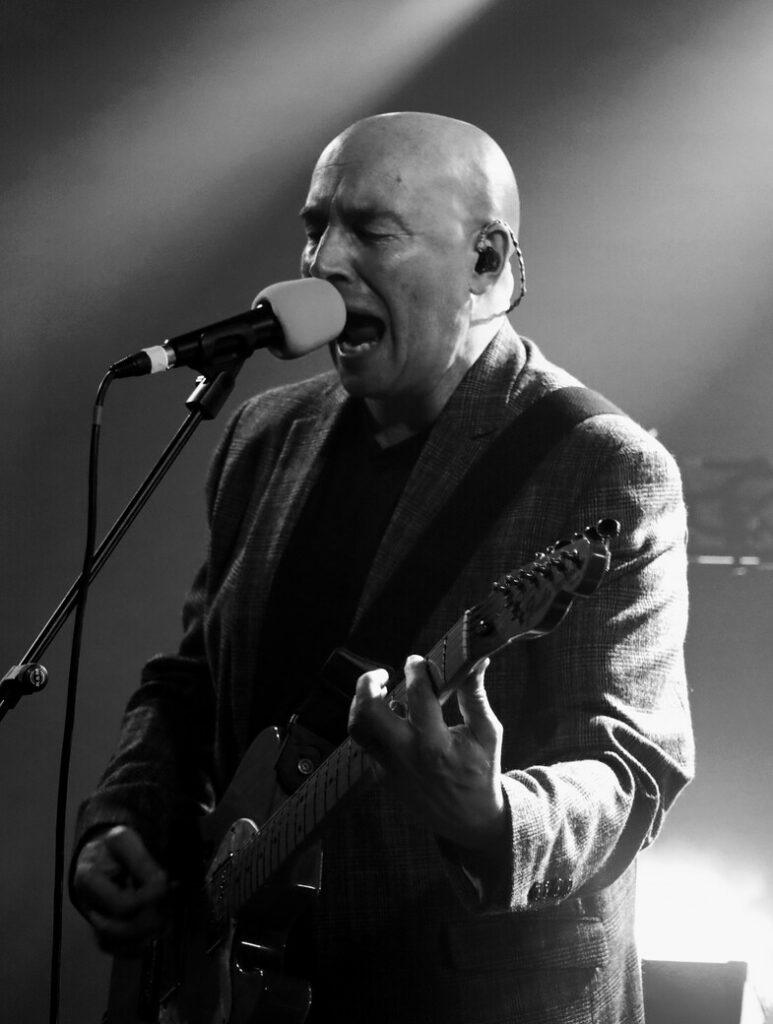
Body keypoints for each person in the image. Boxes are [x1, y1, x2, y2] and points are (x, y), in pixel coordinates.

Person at [71, 112, 694, 1023]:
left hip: (460, 992)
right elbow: (192, 678)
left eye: (370, 230)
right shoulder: (264, 433)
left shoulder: (599, 465)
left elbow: (630, 766)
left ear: (486, 263)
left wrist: (490, 815)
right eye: (314, 226)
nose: (322, 261)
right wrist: (124, 814)